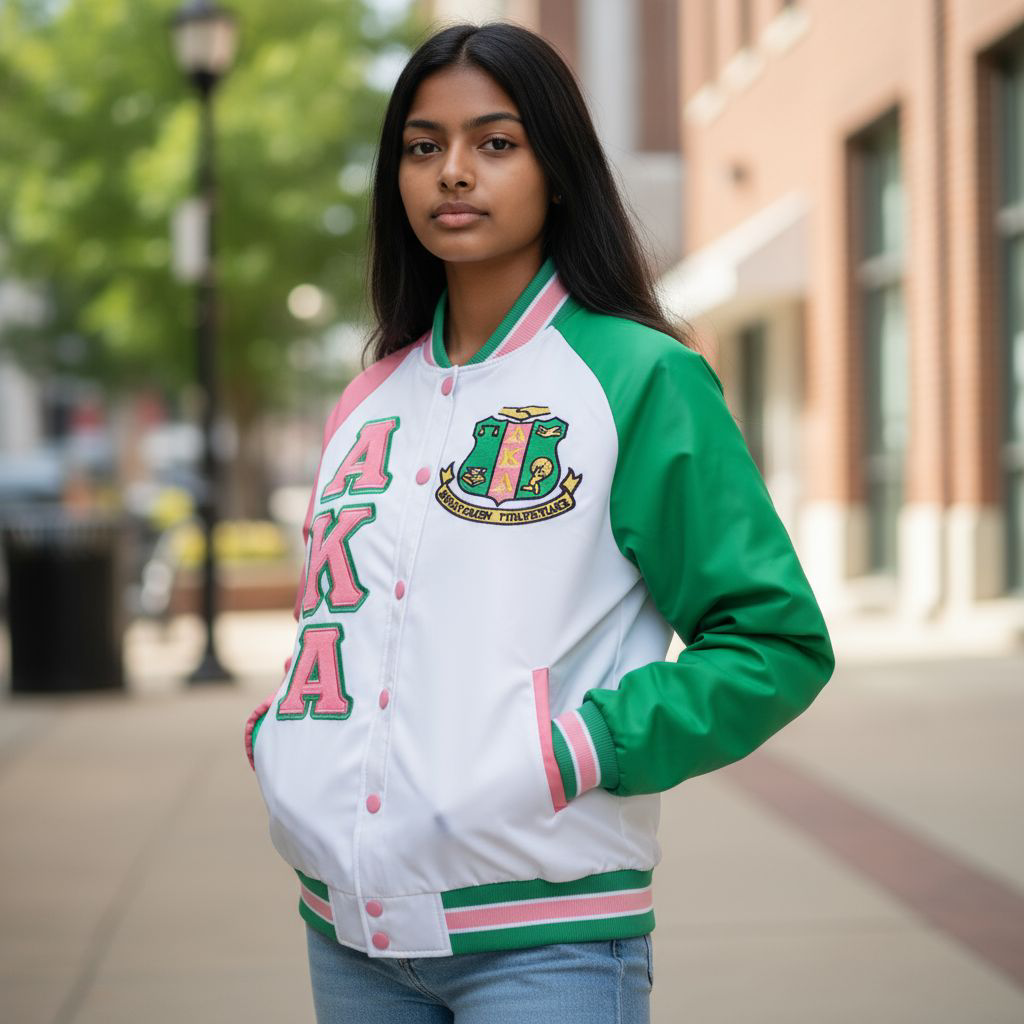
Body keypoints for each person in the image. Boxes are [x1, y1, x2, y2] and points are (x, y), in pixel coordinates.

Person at [244, 20, 835, 1024]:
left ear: (556, 168)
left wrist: (579, 747)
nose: (453, 172)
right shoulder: (367, 400)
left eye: (495, 142)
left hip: (547, 939)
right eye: (422, 147)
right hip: (347, 932)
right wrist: (287, 739)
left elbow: (774, 643)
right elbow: (343, 621)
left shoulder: (639, 377)